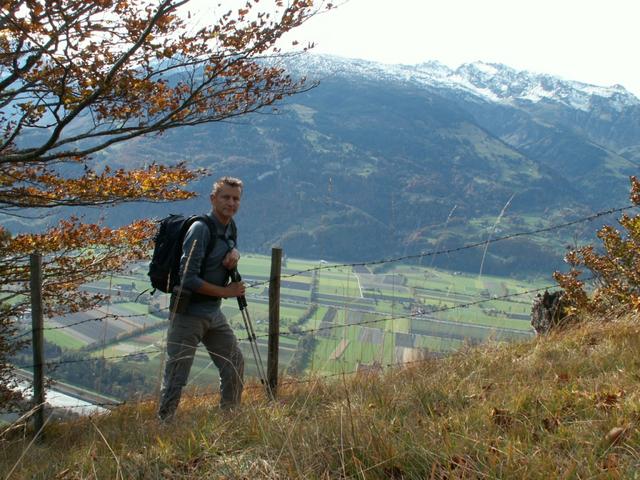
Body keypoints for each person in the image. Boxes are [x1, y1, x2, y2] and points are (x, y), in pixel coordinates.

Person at [158, 176, 246, 420]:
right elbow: (188, 278)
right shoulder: (201, 229)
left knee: (234, 364)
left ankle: (230, 418)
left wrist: (234, 256)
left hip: (212, 313)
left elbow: (222, 257)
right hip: (188, 313)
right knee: (177, 376)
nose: (231, 203)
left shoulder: (230, 227)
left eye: (236, 198)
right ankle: (163, 427)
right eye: (225, 197)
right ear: (213, 199)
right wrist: (228, 292)